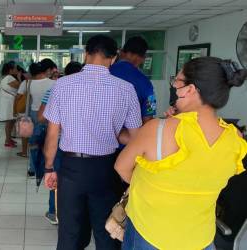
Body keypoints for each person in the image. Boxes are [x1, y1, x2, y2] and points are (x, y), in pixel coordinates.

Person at [115, 57, 247, 250]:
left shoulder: (157, 129)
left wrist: (152, 186)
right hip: (200, 238)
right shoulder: (235, 138)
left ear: (190, 90)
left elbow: (121, 167)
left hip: (150, 233)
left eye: (176, 82)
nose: (174, 88)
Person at [43, 35, 142, 250]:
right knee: (106, 232)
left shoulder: (62, 85)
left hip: (71, 169)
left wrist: (49, 167)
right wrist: (111, 132)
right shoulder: (126, 89)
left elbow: (52, 134)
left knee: (69, 233)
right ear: (114, 58)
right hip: (106, 170)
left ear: (86, 54)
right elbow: (136, 138)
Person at [38, 61, 83, 225]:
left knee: (54, 176)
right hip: (80, 146)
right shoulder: (90, 92)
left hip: (57, 143)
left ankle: (54, 212)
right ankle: (76, 214)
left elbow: (41, 117)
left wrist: (59, 119)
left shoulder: (54, 89)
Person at [18, 62, 55, 177]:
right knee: (49, 141)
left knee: (34, 143)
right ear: (46, 71)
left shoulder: (28, 83)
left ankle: (32, 168)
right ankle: (47, 167)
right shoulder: (53, 83)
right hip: (49, 114)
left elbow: (22, 97)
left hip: (34, 114)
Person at [110, 36, 156, 123]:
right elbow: (149, 115)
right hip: (132, 134)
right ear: (143, 57)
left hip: (102, 132)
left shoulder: (107, 72)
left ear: (122, 52)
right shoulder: (146, 83)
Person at [0, 61, 21, 148]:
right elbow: (19, 86)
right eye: (15, 68)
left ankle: (8, 139)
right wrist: (19, 78)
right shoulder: (9, 78)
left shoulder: (6, 77)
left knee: (11, 121)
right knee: (9, 122)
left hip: (8, 102)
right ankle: (7, 141)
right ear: (10, 70)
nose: (16, 70)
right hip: (9, 103)